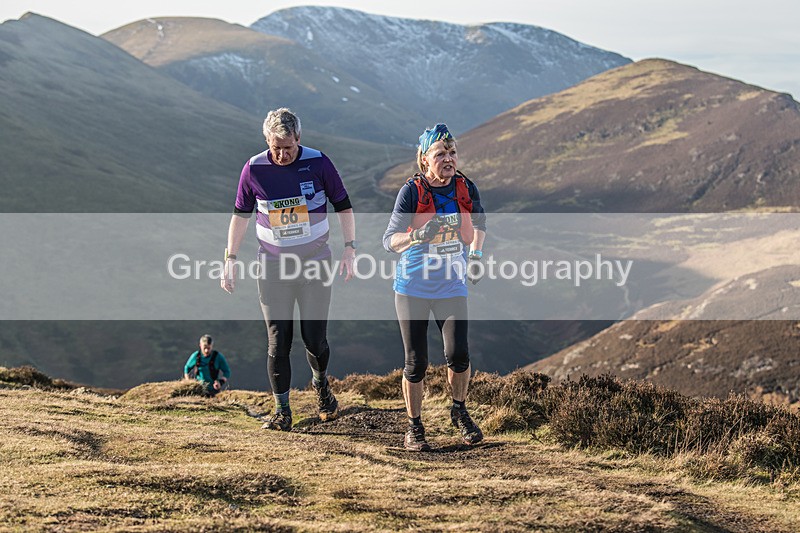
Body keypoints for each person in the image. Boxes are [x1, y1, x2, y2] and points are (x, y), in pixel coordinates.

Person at [221, 107, 356, 432]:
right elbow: (240, 216)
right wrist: (230, 258)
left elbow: (343, 205)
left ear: (298, 139)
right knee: (278, 341)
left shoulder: (319, 163)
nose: (282, 155)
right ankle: (282, 412)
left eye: (288, 147)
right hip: (272, 266)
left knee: (314, 340)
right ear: (267, 141)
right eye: (275, 147)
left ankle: (321, 385)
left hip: (314, 262)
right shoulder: (253, 169)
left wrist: (350, 248)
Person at [382, 123, 487, 451]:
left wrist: (476, 255)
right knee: (416, 362)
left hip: (451, 285)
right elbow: (389, 240)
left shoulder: (465, 187)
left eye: (452, 152)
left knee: (459, 354)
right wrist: (415, 236)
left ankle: (459, 410)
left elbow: (480, 222)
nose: (449, 158)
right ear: (424, 159)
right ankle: (414, 427)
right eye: (440, 153)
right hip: (412, 287)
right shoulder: (411, 192)